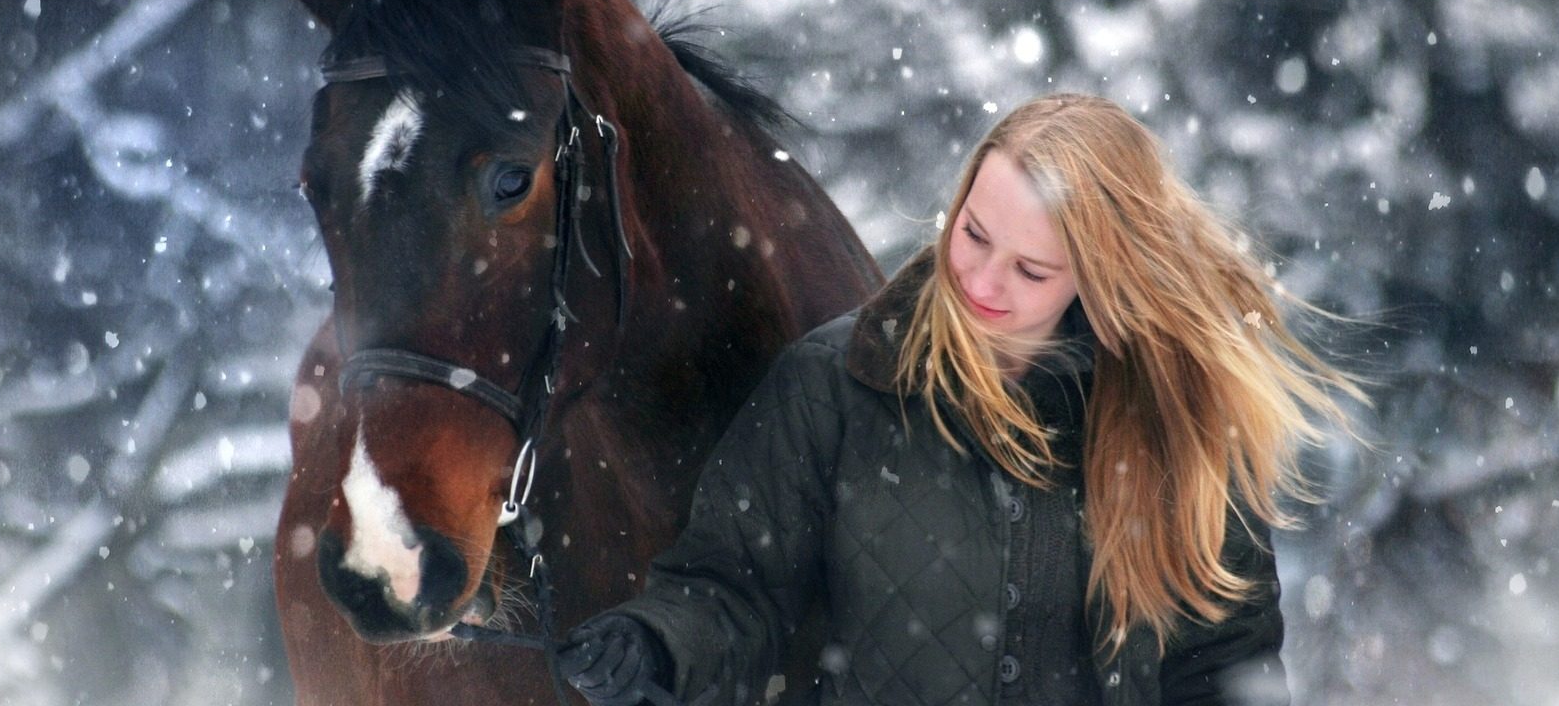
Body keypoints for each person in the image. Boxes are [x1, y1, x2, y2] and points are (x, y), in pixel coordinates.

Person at [554, 93, 1365, 706]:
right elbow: (736, 593)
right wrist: (653, 641)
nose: (980, 282)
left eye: (1031, 270)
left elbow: (1225, 667)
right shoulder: (837, 385)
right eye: (974, 234)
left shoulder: (1177, 424)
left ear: (1100, 278)